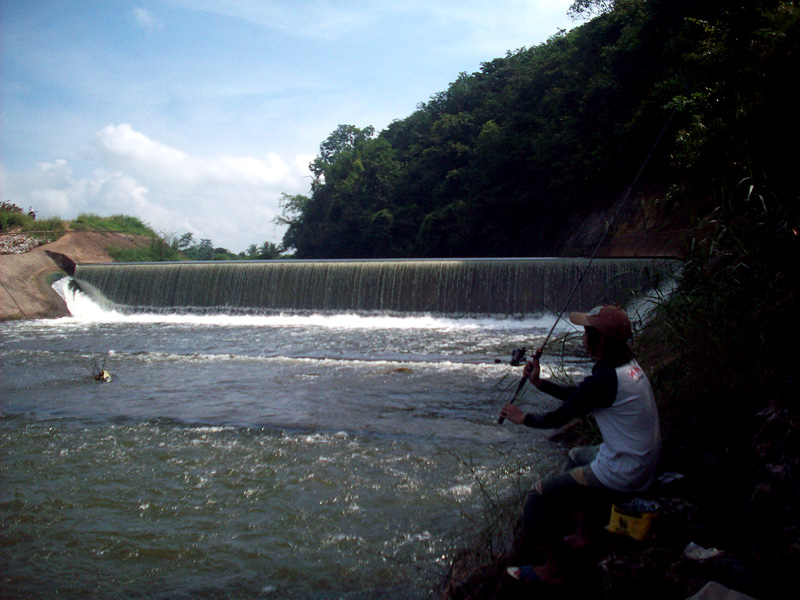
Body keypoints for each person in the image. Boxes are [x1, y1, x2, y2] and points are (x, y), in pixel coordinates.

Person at [499, 304, 661, 585]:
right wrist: (540, 384)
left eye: (586, 333)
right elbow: (580, 395)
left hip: (624, 472)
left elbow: (558, 418)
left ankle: (553, 569)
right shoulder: (625, 367)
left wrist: (521, 418)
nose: (582, 338)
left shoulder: (607, 379)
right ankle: (584, 534)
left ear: (598, 341)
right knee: (575, 455)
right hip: (639, 462)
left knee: (538, 497)